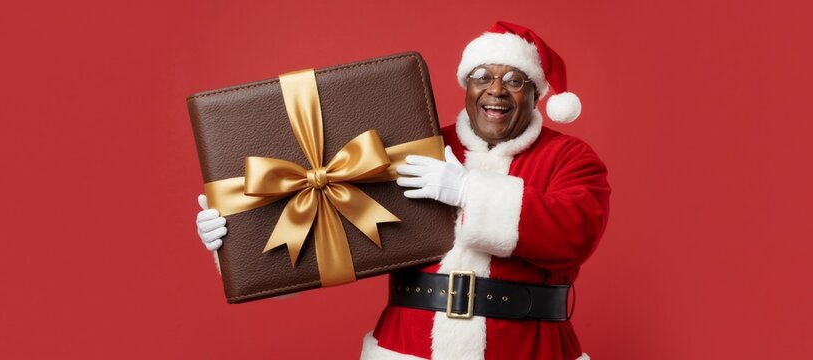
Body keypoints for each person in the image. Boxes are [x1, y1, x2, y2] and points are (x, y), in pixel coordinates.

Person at [196, 21, 610, 360]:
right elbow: (336, 231)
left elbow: (574, 235)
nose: (496, 90)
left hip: (527, 348)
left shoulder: (571, 158)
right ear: (466, 87)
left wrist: (468, 190)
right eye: (482, 77)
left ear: (536, 94)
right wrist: (236, 244)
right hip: (407, 346)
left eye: (515, 80)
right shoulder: (419, 147)